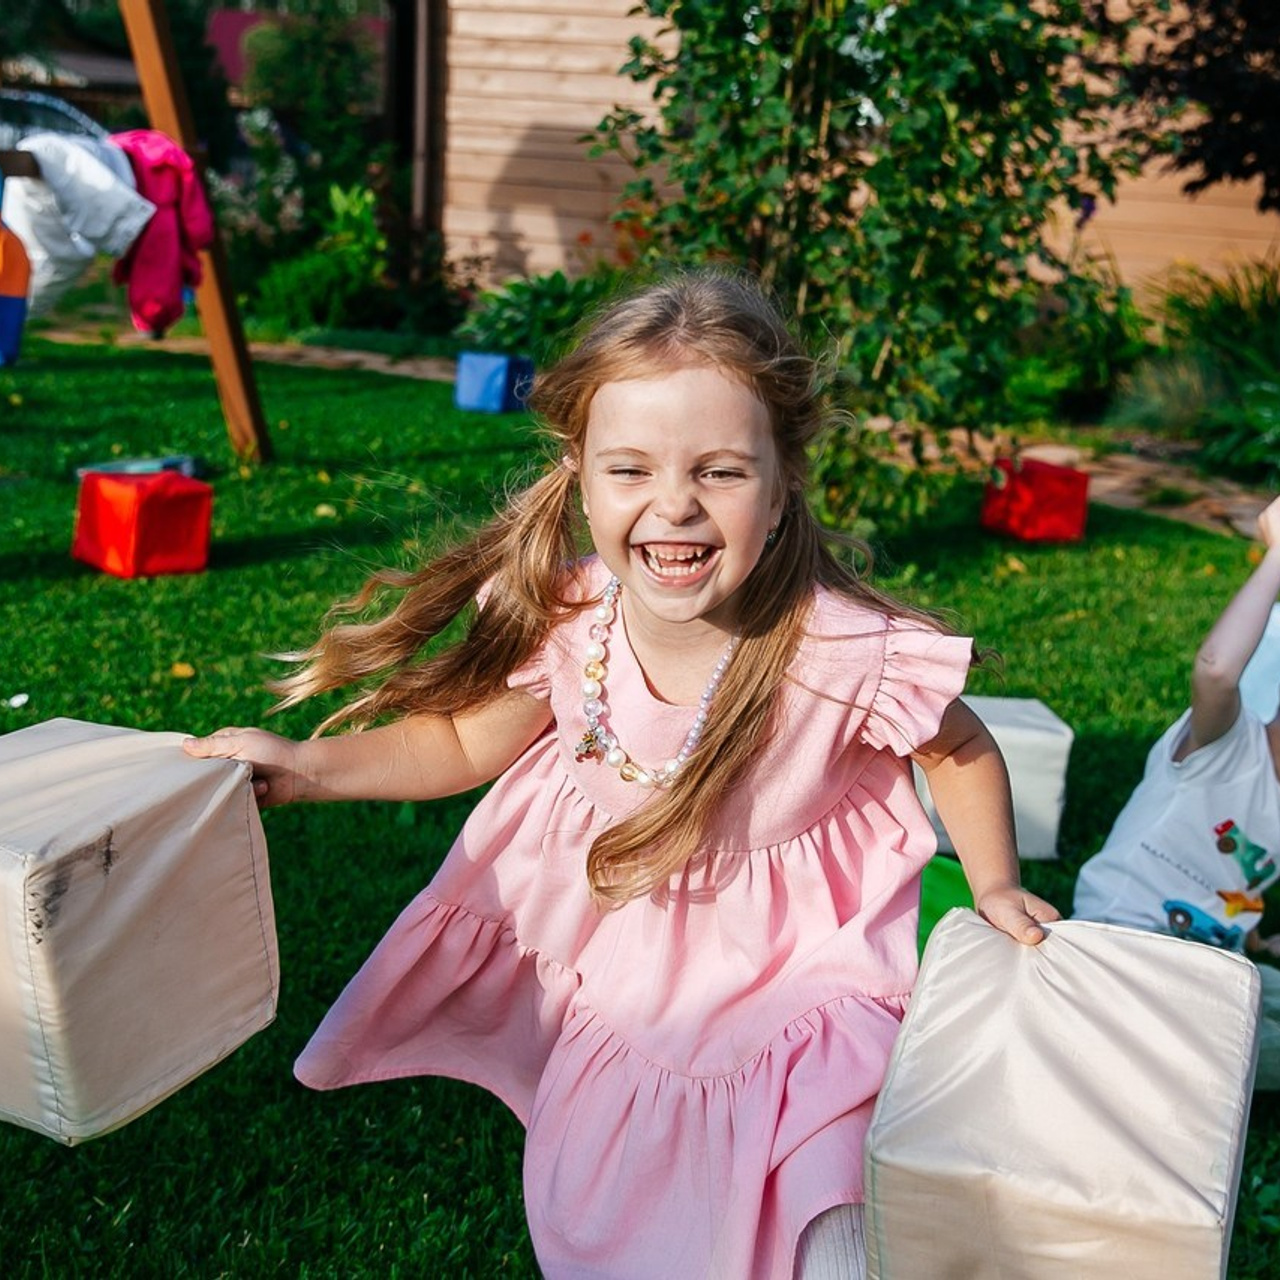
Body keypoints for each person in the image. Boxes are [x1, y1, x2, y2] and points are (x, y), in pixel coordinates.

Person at [184, 269, 1057, 1279]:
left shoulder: (839, 647)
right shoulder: (575, 621)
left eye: (720, 472)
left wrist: (990, 879)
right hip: (632, 983)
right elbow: (459, 743)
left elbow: (954, 745)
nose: (672, 506)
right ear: (581, 475)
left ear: (779, 488)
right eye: (630, 470)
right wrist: (306, 767)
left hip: (815, 981)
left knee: (830, 1201)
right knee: (615, 1207)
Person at [1073, 495, 1280, 1088]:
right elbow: (1216, 669)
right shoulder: (1225, 747)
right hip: (1120, 948)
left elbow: (1239, 879)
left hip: (1210, 967)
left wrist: (1256, 931)